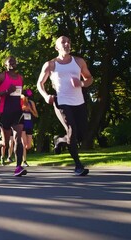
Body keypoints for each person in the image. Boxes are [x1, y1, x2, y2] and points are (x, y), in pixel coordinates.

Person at [37, 36, 93, 176]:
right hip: (61, 101)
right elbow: (40, 83)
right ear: (57, 47)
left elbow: (89, 78)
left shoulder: (79, 62)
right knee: (72, 129)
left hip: (78, 101)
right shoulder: (51, 64)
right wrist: (46, 96)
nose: (67, 44)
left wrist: (81, 83)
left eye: (69, 42)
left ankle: (60, 140)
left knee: (80, 133)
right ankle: (78, 165)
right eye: (63, 42)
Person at [0, 56, 26, 177]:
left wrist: (26, 93)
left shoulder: (21, 78)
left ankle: (18, 166)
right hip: (4, 112)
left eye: (14, 61)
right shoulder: (1, 76)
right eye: (9, 61)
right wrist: (6, 92)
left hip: (17, 112)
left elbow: (20, 94)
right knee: (5, 143)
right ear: (5, 64)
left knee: (18, 139)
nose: (12, 63)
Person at [21, 89, 38, 167]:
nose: (26, 98)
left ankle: (19, 150)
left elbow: (36, 115)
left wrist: (30, 110)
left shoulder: (31, 103)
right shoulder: (19, 103)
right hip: (22, 125)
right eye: (25, 96)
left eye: (27, 97)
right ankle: (24, 161)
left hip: (29, 125)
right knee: (24, 144)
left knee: (28, 146)